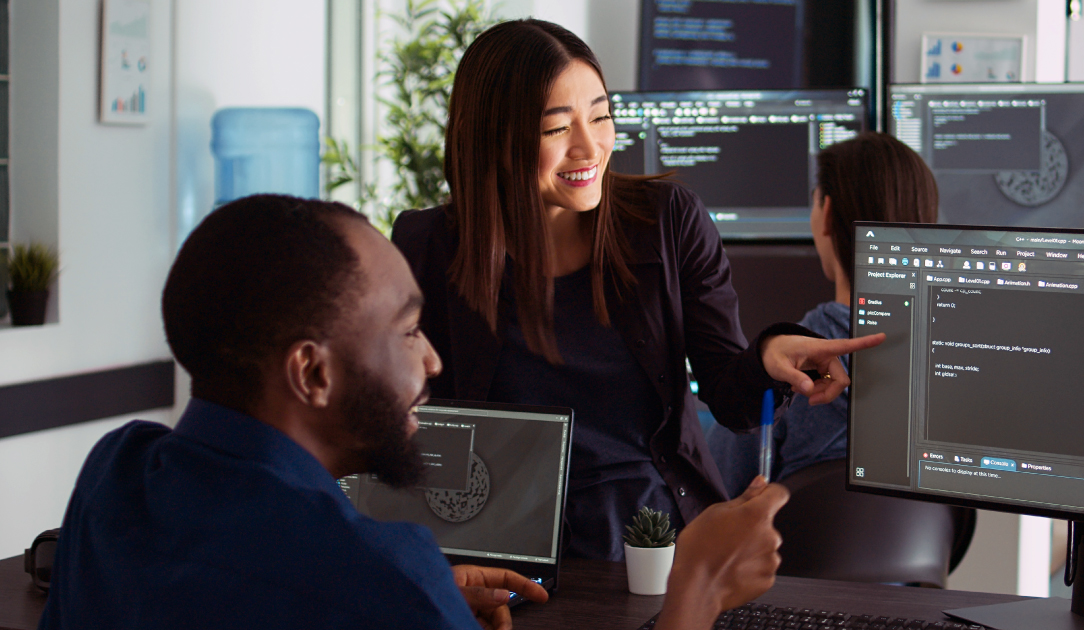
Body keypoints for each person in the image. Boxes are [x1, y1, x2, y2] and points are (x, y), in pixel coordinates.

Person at [39, 194, 792, 630]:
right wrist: (698, 590)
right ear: (312, 373)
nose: (432, 361)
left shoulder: (116, 474)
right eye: (406, 331)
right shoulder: (382, 581)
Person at [391, 19, 884, 562]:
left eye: (601, 116)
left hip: (653, 533)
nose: (590, 146)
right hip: (500, 543)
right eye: (557, 128)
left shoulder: (669, 221)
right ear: (494, 138)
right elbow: (410, 418)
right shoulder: (429, 245)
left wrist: (768, 354)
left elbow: (730, 398)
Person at [707, 131, 939, 494]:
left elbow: (712, 491)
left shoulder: (786, 367)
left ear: (826, 212)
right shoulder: (954, 366)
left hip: (798, 552)